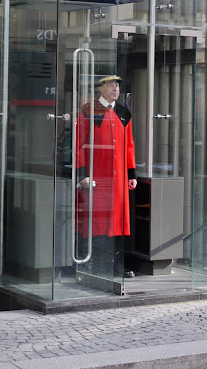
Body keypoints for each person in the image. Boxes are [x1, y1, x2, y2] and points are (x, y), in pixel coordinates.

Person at [75, 75, 137, 278]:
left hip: (118, 179)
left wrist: (131, 173)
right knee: (97, 221)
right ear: (100, 88)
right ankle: (96, 265)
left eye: (117, 86)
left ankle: (116, 265)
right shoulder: (87, 110)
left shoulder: (123, 112)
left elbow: (129, 145)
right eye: (111, 85)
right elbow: (79, 144)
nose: (115, 89)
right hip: (97, 177)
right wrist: (82, 173)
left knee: (118, 221)